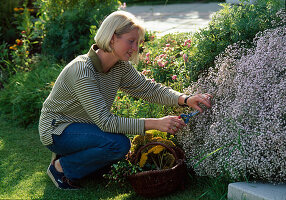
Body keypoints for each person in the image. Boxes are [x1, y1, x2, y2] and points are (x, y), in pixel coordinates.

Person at [39, 10, 212, 190]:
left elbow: (148, 89)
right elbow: (105, 122)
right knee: (118, 145)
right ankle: (60, 168)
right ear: (112, 37)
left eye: (137, 43)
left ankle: (69, 157)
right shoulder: (82, 70)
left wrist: (186, 99)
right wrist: (156, 124)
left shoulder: (119, 67)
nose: (135, 48)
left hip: (85, 127)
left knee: (117, 148)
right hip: (57, 129)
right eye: (131, 41)